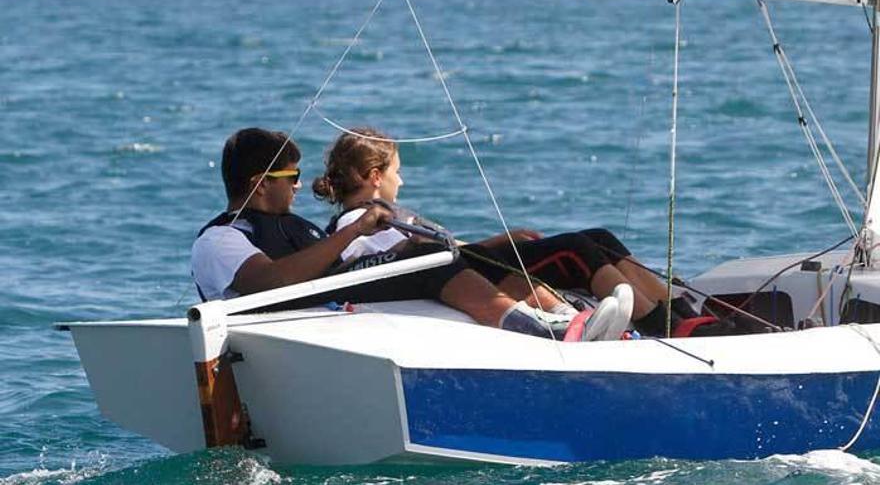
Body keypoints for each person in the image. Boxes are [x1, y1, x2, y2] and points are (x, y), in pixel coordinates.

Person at [190, 127, 630, 341]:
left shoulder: (298, 226)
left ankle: (555, 320)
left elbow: (339, 268)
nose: (299, 185)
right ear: (259, 182)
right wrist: (356, 232)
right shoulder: (222, 239)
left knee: (430, 255)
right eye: (291, 176)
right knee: (418, 261)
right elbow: (269, 282)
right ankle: (540, 330)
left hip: (339, 310)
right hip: (283, 331)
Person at [313, 127, 736, 338]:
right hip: (473, 281)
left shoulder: (387, 212)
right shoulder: (357, 225)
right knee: (576, 250)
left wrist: (500, 240)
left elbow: (442, 249)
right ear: (373, 177)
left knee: (600, 238)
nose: (400, 182)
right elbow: (412, 265)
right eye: (396, 173)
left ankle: (687, 315)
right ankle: (670, 331)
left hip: (476, 265)